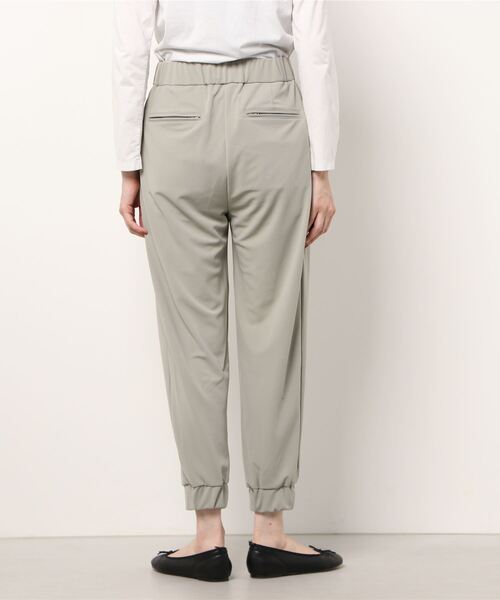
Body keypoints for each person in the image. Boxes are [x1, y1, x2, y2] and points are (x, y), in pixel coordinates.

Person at [113, 0, 342, 581]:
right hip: (271, 115)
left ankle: (207, 534)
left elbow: (131, 49)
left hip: (175, 120)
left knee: (191, 337)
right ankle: (270, 531)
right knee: (273, 329)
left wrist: (129, 164)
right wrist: (322, 168)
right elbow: (313, 47)